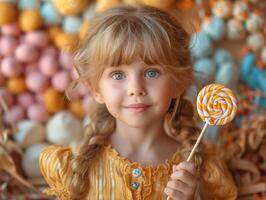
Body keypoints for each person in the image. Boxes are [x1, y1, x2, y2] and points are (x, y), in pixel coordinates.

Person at [39, 5, 237, 200]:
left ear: (179, 82)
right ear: (96, 90)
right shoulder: (74, 168)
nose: (136, 88)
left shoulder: (201, 171)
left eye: (152, 72)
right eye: (117, 75)